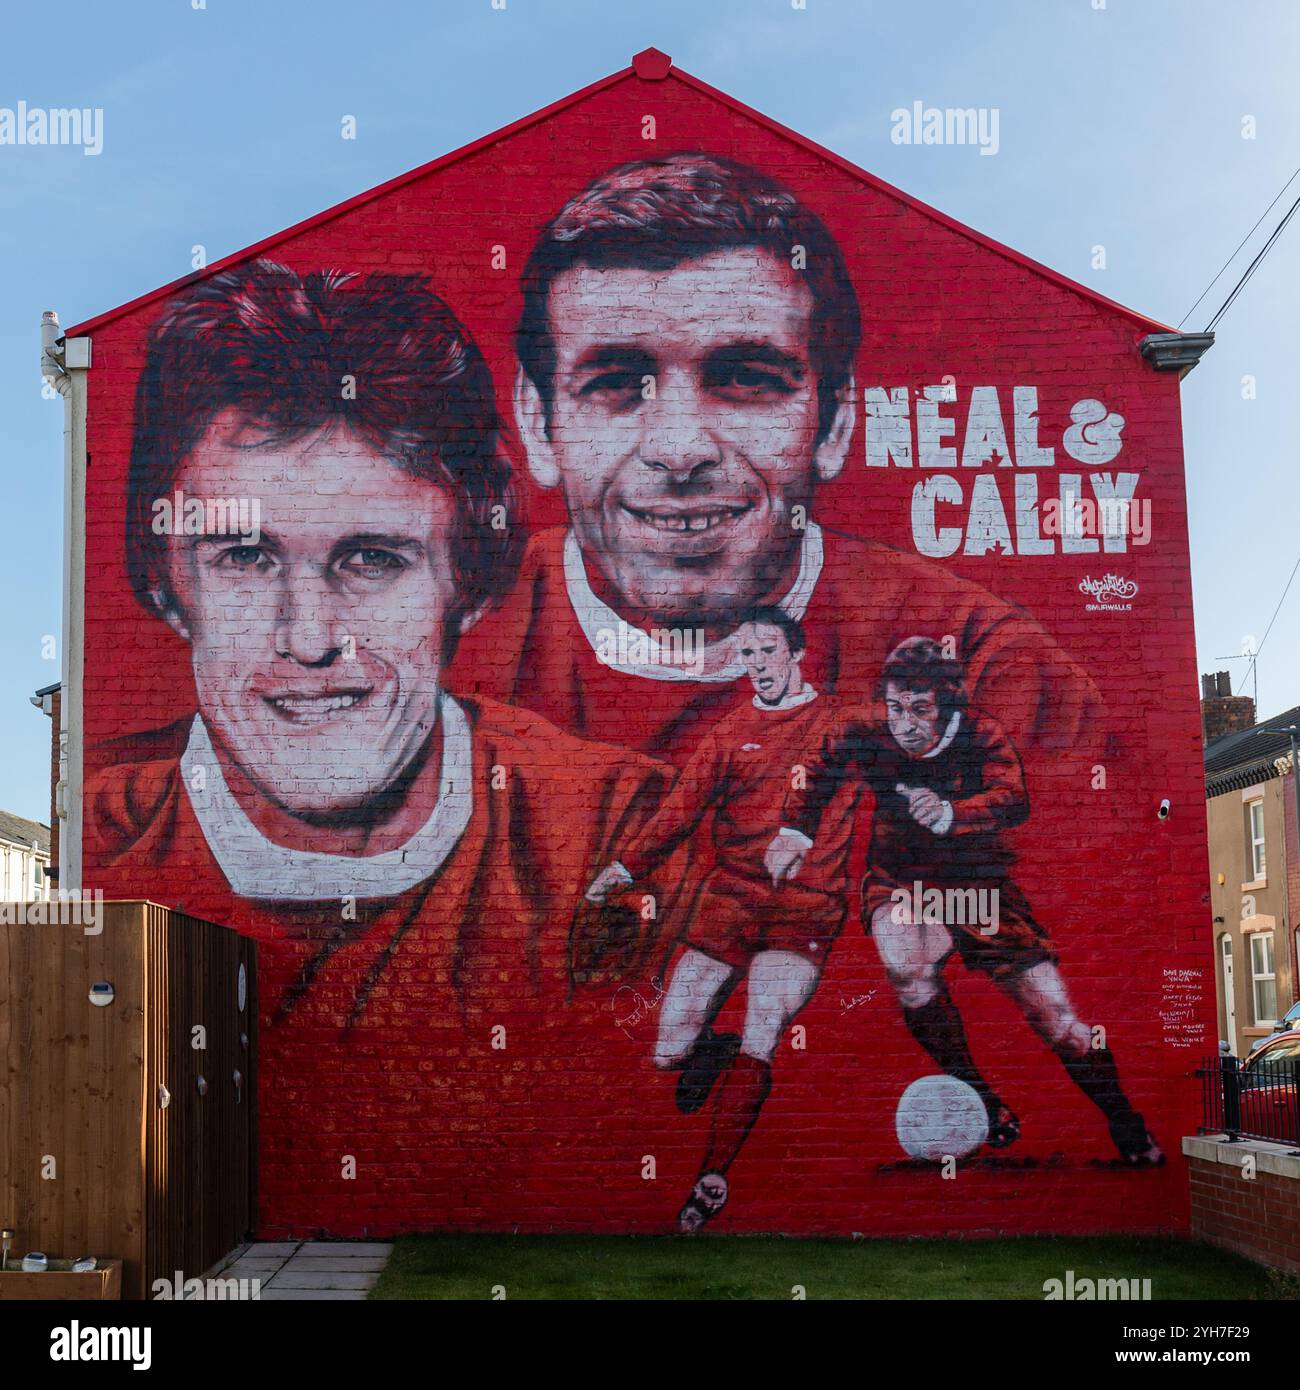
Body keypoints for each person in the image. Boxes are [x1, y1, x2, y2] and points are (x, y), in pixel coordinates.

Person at [86, 258, 676, 1027]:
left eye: (372, 559)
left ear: (470, 578)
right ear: (166, 582)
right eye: (243, 558)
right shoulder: (101, 832)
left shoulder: (621, 828)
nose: (308, 638)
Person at [450, 152, 1101, 787]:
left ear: (835, 421)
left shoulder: (992, 669)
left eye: (745, 380)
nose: (679, 450)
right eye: (616, 382)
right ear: (538, 424)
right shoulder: (443, 648)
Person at [766, 636, 1163, 1167]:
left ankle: (1125, 1123)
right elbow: (817, 766)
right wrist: (796, 830)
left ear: (947, 706)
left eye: (920, 710)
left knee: (1056, 1019)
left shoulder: (981, 735)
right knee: (906, 967)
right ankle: (982, 1098)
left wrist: (954, 812)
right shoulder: (864, 729)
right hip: (900, 880)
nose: (904, 722)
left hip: (980, 888)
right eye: (896, 706)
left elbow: (1013, 798)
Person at [585, 608, 858, 1231]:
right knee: (667, 1051)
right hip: (729, 901)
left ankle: (711, 1177)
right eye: (747, 655)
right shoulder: (731, 733)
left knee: (765, 1020)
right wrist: (625, 869)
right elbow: (680, 809)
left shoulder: (839, 722)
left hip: (805, 908)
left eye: (766, 651)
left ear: (795, 651)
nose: (756, 664)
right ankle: (716, 1052)